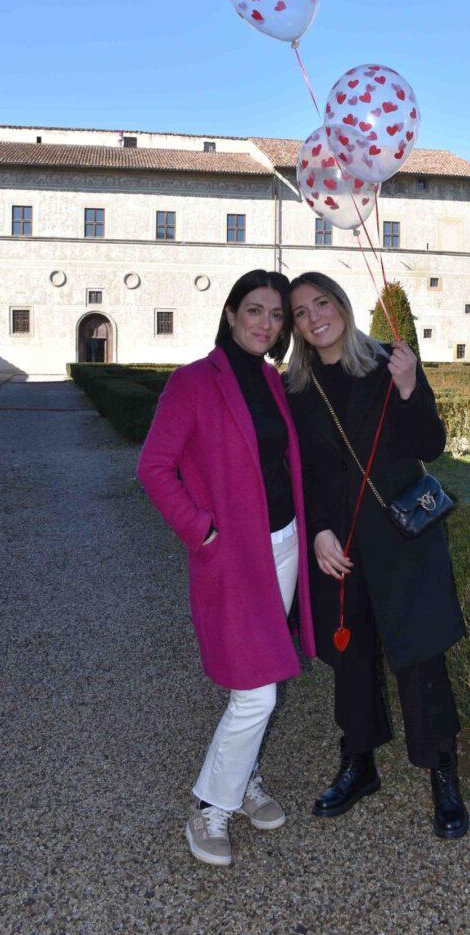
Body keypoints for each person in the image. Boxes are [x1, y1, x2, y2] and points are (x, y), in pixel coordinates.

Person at [137, 269, 315, 867]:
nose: (266, 324)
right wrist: (203, 531)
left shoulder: (272, 381)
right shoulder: (193, 382)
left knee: (258, 681)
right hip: (233, 555)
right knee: (257, 694)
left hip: (283, 545)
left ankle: (241, 781)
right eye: (255, 311)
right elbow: (154, 467)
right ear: (232, 314)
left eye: (275, 316)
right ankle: (210, 806)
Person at [285, 272, 469, 839]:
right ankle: (358, 764)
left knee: (419, 657)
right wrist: (317, 531)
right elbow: (305, 476)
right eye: (300, 312)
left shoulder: (391, 362)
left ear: (342, 305)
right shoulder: (295, 390)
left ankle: (443, 777)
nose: (315, 317)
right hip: (340, 544)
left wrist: (412, 387)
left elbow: (429, 446)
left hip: (402, 535)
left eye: (322, 303)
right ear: (293, 328)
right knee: (351, 659)